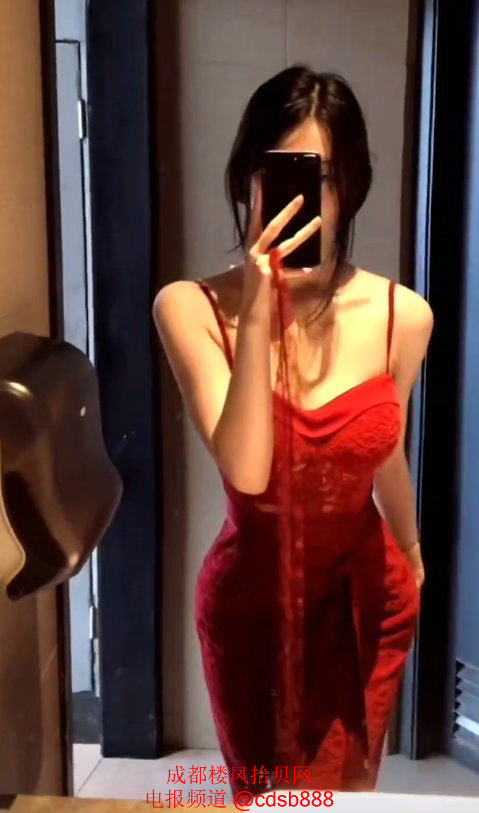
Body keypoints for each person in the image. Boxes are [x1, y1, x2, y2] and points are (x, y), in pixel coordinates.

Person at [153, 65, 434, 797]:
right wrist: (258, 306)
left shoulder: (403, 316)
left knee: (346, 798)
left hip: (365, 604)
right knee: (270, 801)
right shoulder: (189, 309)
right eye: (279, 175)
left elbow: (385, 451)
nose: (304, 200)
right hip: (251, 613)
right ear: (247, 180)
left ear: (351, 188)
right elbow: (247, 469)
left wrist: (410, 550)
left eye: (323, 179)